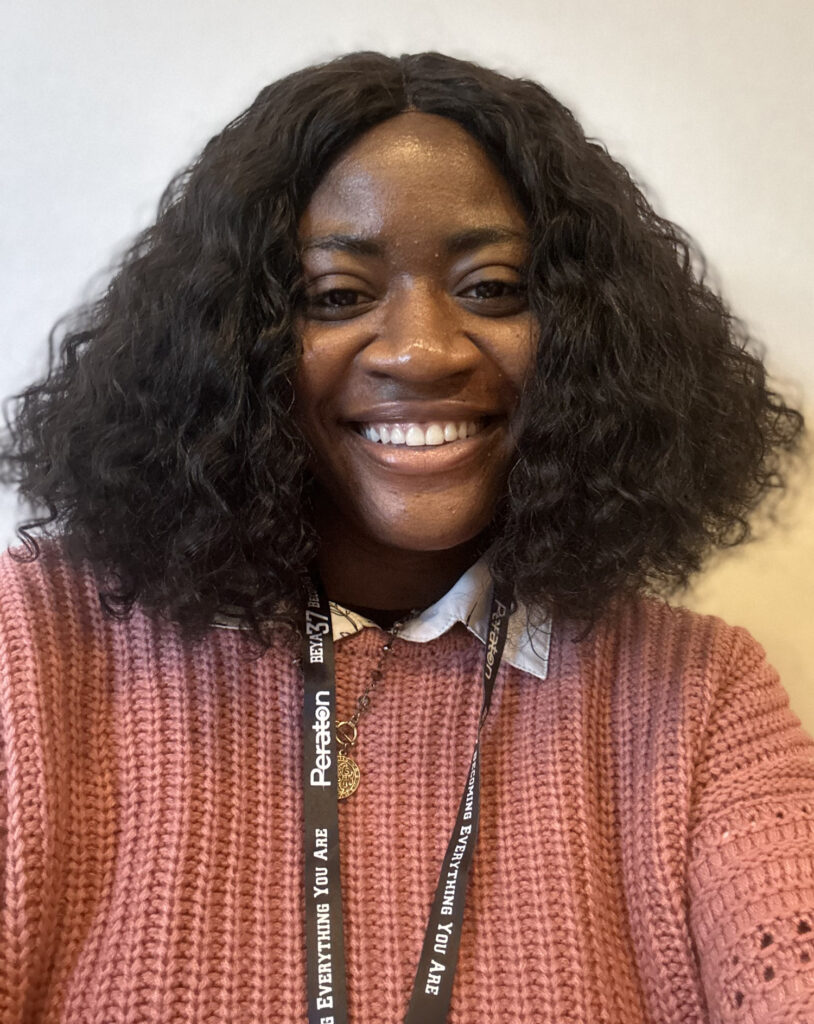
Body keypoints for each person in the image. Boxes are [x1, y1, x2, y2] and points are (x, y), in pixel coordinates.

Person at [0, 49, 812, 1024]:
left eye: (493, 287)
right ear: (229, 349)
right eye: (336, 295)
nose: (422, 349)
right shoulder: (33, 650)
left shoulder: (699, 698)